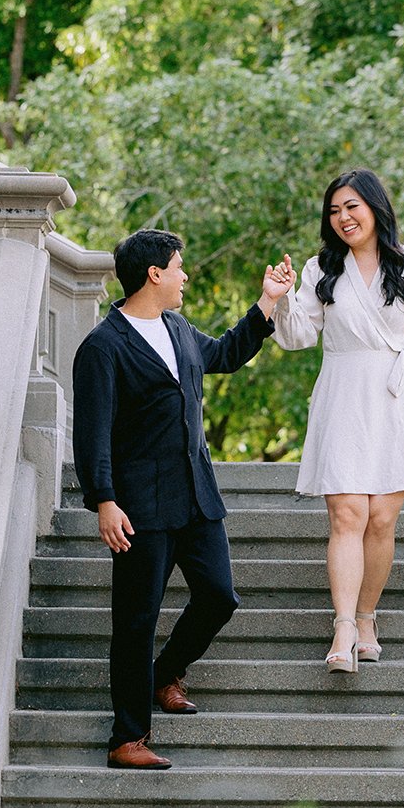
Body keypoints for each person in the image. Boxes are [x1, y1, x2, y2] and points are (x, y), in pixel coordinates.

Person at [72, 229, 276, 769]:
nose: (186, 276)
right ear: (154, 274)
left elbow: (228, 354)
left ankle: (165, 674)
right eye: (179, 267)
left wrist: (267, 303)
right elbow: (92, 433)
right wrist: (104, 500)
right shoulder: (103, 346)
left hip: (195, 497)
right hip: (138, 506)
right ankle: (127, 738)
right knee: (135, 621)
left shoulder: (179, 328)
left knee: (220, 596)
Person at [261, 170, 404, 673]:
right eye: (334, 211)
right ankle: (344, 626)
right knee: (347, 514)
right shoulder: (321, 268)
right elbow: (297, 336)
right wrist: (281, 296)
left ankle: (368, 614)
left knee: (381, 519)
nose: (343, 218)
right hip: (344, 393)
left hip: (398, 396)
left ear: (375, 207)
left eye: (351, 207)